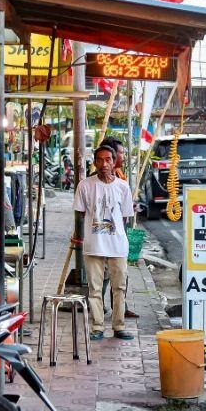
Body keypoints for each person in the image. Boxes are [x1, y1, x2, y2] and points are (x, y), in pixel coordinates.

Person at [73, 145, 135, 341]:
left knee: (119, 288)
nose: (104, 164)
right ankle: (97, 326)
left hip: (118, 246)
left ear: (114, 161)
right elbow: (81, 213)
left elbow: (125, 217)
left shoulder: (123, 187)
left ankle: (119, 326)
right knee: (94, 289)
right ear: (95, 162)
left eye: (108, 159)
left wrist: (117, 236)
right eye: (100, 160)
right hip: (93, 245)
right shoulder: (85, 185)